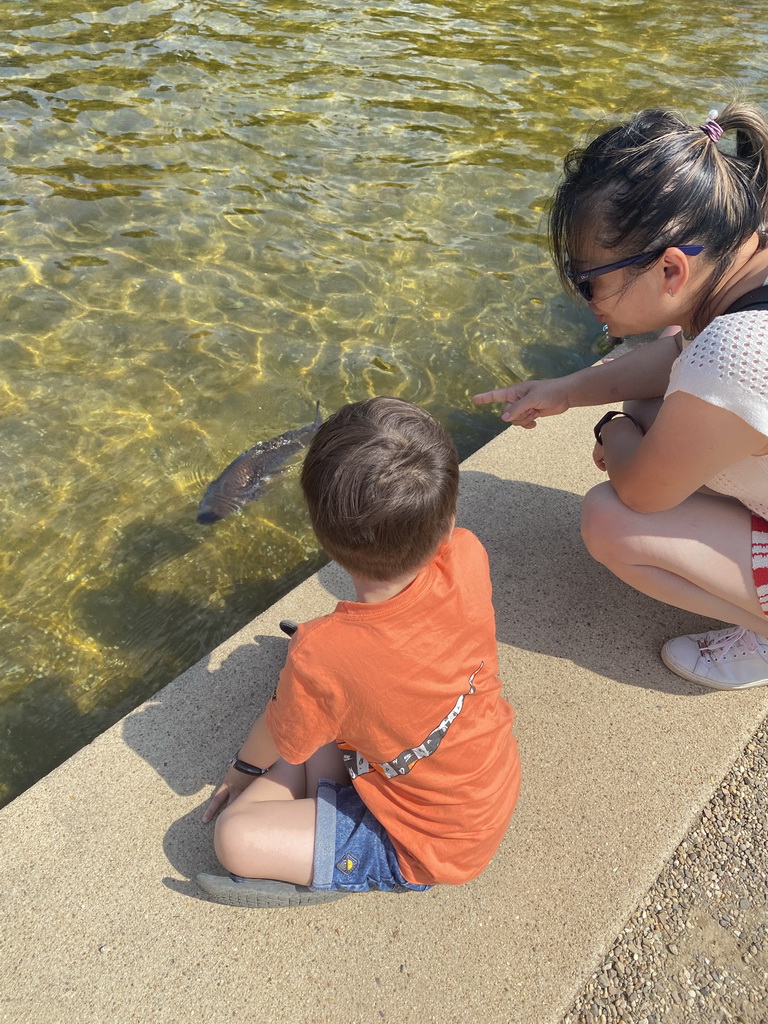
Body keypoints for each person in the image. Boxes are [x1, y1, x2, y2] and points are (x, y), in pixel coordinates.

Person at [474, 103, 768, 691]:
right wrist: (567, 390)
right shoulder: (747, 261)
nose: (586, 298)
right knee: (660, 384)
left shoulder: (736, 352)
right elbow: (681, 353)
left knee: (612, 522)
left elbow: (640, 492)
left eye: (591, 281)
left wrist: (611, 429)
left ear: (670, 269)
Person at [197, 397, 520, 907]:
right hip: (485, 788)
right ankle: (325, 806)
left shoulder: (323, 656)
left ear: (321, 536)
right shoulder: (468, 553)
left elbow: (272, 738)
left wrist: (241, 773)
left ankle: (341, 864)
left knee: (235, 836)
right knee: (319, 692)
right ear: (449, 513)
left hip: (425, 848)